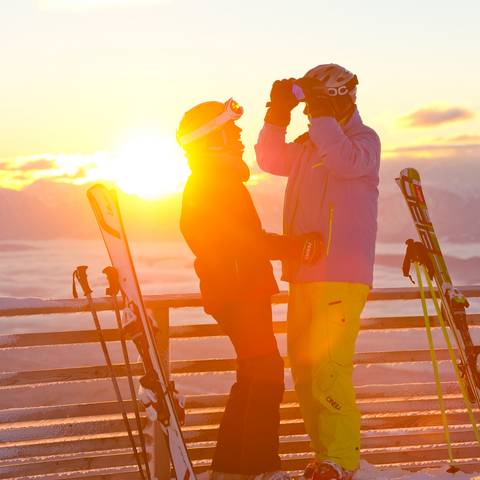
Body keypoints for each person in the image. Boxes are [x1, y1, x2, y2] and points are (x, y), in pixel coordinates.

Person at [177, 98, 322, 480]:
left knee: (255, 375)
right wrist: (295, 246)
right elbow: (244, 241)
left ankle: (229, 470)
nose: (239, 135)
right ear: (211, 140)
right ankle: (260, 468)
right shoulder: (212, 183)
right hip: (237, 291)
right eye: (231, 129)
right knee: (266, 375)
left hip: (237, 289)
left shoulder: (214, 180)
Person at [255, 64, 381, 480]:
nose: (310, 109)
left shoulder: (363, 141)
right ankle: (325, 457)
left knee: (329, 369)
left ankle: (342, 460)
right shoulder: (311, 143)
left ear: (341, 96)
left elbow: (344, 162)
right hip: (304, 273)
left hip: (341, 275)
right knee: (307, 373)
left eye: (317, 101)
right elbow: (270, 159)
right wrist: (277, 114)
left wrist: (322, 113)